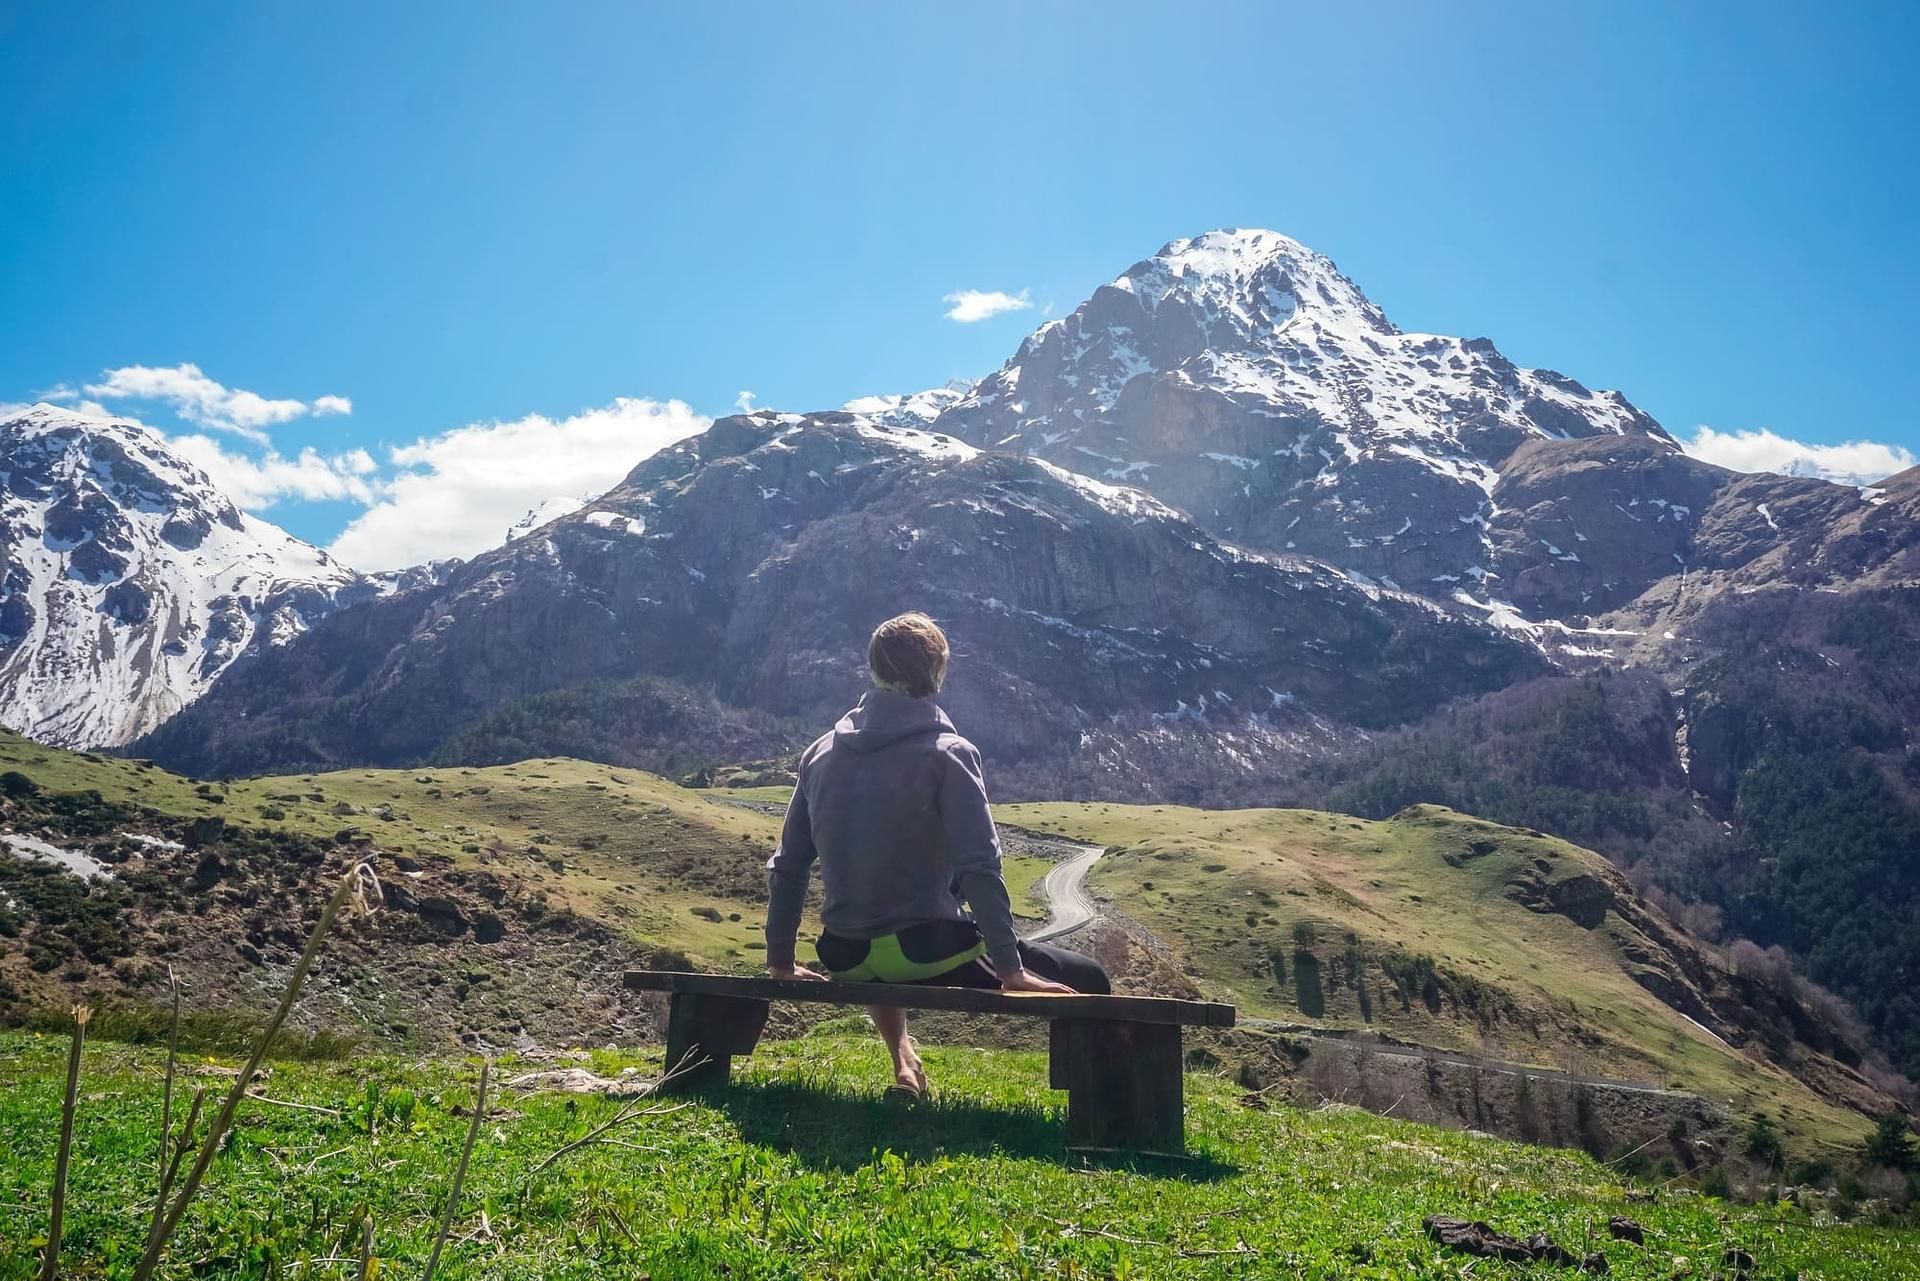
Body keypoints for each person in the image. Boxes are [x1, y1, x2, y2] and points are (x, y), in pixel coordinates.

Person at [764, 611, 1111, 1097]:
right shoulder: (948, 752)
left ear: (873, 669)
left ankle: (905, 1067)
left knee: (883, 945)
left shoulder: (820, 753)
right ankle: (1096, 1106)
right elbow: (979, 867)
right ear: (937, 673)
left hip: (845, 955)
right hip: (926, 951)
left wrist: (779, 959)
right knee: (1088, 977)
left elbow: (789, 865)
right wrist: (1012, 971)